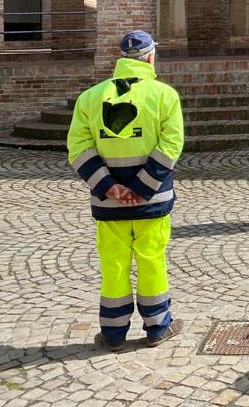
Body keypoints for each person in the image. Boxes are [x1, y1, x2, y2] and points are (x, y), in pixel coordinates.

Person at [67, 30, 185, 351]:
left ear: (121, 58)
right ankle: (158, 326)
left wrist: (110, 187)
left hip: (108, 204)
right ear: (150, 57)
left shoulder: (90, 98)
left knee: (114, 265)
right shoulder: (164, 96)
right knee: (151, 261)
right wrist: (141, 188)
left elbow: (77, 148)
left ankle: (114, 333)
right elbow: (171, 145)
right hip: (153, 201)